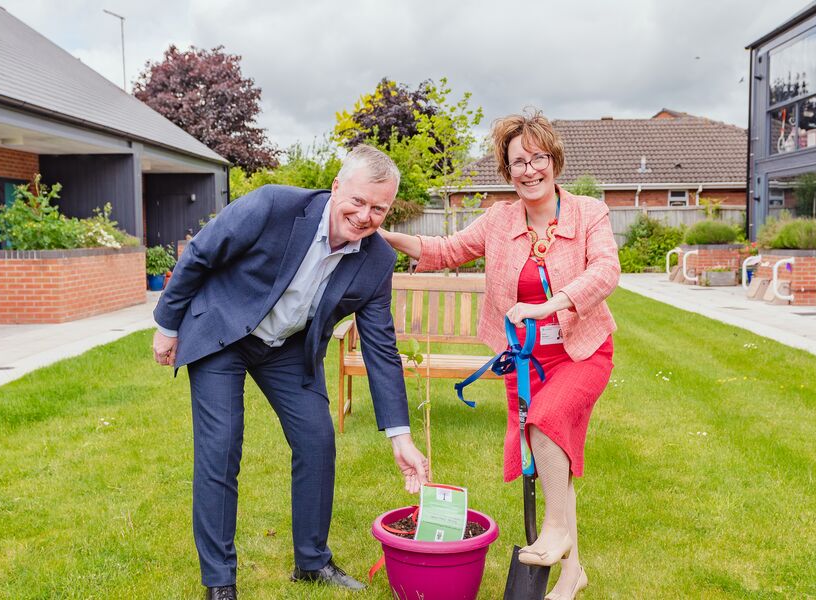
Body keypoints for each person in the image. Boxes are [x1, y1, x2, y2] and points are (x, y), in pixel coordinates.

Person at [152, 145, 429, 600]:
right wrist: (167, 326)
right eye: (357, 201)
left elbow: (381, 346)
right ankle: (220, 582)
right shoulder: (274, 205)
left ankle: (312, 561)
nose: (364, 216)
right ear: (336, 186)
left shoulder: (377, 260)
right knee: (221, 448)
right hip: (224, 331)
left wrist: (400, 436)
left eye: (378, 208)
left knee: (317, 441)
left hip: (287, 349)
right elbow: (201, 253)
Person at [380, 110, 619, 600]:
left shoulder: (588, 212)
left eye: (537, 159)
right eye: (518, 163)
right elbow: (444, 249)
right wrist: (380, 235)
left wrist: (548, 306)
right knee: (552, 458)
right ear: (506, 171)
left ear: (554, 161)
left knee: (546, 423)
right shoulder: (499, 219)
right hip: (527, 362)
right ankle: (572, 573)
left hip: (581, 351)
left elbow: (606, 272)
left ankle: (555, 532)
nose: (529, 170)